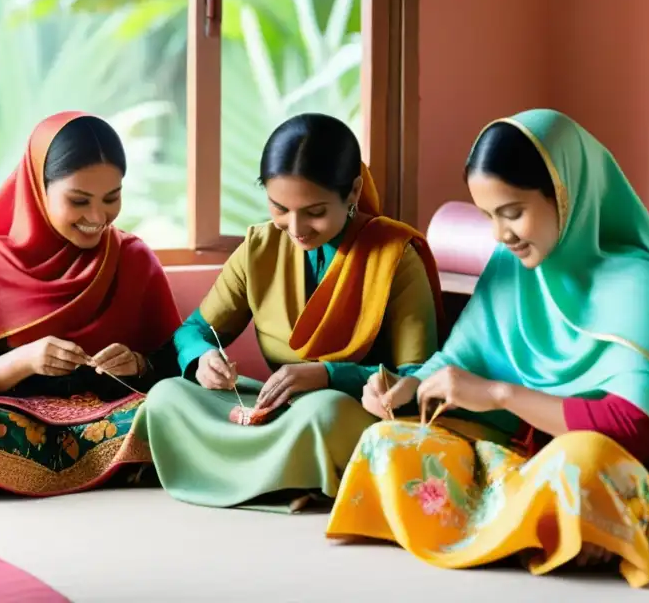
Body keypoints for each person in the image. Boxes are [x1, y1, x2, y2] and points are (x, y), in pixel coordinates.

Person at [326, 109, 649, 587]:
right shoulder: (512, 267)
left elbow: (633, 429)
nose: (501, 234)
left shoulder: (643, 283)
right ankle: (539, 529)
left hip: (608, 468)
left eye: (513, 213)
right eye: (488, 216)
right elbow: (458, 360)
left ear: (566, 193)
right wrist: (406, 386)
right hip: (520, 461)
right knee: (386, 442)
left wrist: (498, 395)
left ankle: (550, 524)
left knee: (582, 465)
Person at [132, 113, 443, 510]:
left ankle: (236, 471)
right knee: (167, 395)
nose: (296, 228)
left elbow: (418, 378)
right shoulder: (260, 247)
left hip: (346, 410)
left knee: (323, 412)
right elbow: (194, 330)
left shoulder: (394, 256)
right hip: (277, 409)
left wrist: (329, 375)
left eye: (314, 211)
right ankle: (283, 478)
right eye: (280, 208)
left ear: (352, 192)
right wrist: (203, 357)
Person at [0, 112, 183, 499]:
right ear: (39, 188)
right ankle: (117, 469)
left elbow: (178, 367)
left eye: (112, 198)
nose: (97, 217)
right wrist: (23, 361)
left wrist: (138, 364)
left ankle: (3, 471)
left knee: (170, 412)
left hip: (109, 419)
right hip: (18, 420)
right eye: (78, 200)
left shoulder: (134, 258)